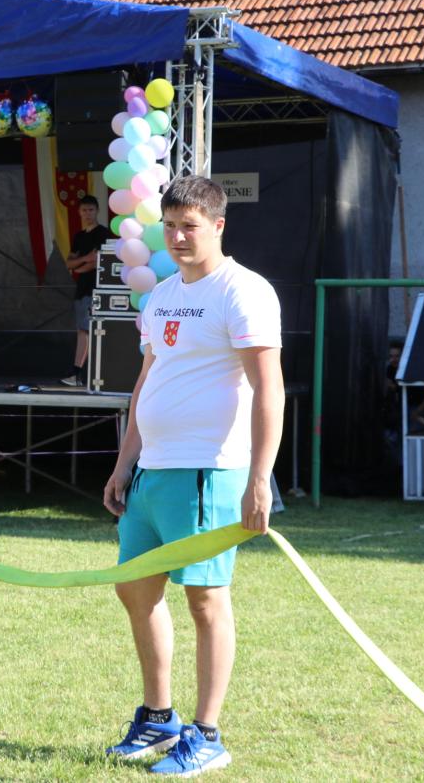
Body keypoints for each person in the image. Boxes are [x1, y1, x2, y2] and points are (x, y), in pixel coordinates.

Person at [102, 175, 283, 776]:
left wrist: (260, 479)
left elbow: (269, 390)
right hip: (153, 470)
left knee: (205, 600)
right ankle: (159, 718)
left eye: (190, 227)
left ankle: (207, 734)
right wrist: (125, 462)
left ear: (218, 226)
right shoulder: (160, 295)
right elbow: (147, 382)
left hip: (209, 470)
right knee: (135, 589)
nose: (178, 237)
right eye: (170, 226)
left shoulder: (244, 291)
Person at [61, 195, 115, 386]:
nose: (88, 213)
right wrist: (84, 260)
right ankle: (80, 373)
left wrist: (80, 265)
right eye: (84, 210)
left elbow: (98, 261)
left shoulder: (103, 233)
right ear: (79, 212)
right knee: (82, 329)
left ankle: (78, 372)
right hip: (81, 288)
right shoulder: (79, 236)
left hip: (96, 287)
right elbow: (70, 263)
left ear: (97, 211)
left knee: (87, 329)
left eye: (91, 210)